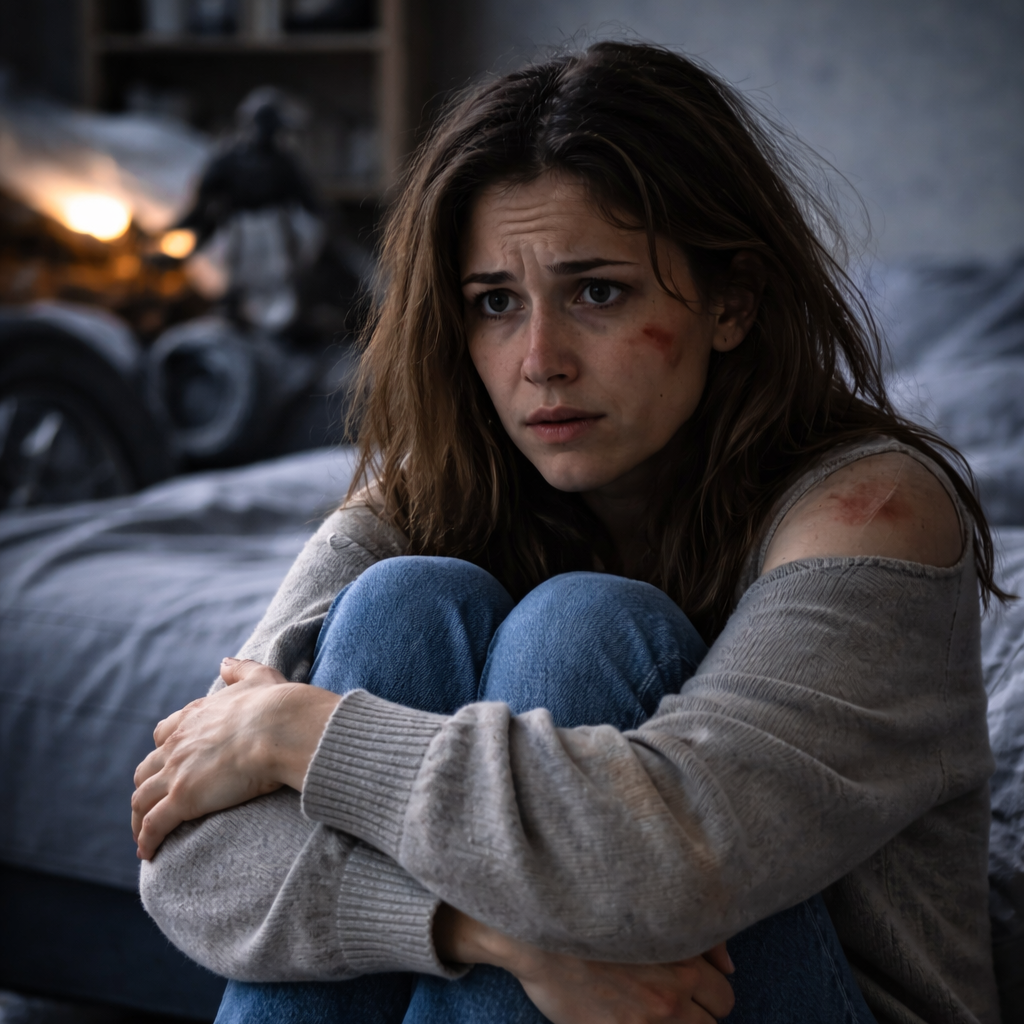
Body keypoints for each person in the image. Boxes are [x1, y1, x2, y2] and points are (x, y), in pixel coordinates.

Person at [131, 42, 1004, 1024]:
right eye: (495, 303)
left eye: (597, 291)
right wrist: (478, 934)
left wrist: (298, 730)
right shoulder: (428, 497)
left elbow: (665, 865)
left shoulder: (870, 512)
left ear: (732, 301)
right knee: (406, 601)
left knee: (580, 628)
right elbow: (187, 862)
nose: (539, 360)